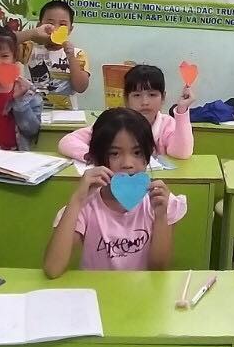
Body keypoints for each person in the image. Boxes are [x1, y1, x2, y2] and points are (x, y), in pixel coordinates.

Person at [43, 108, 187, 277]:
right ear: (97, 157)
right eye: (115, 154)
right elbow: (52, 269)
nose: (127, 163)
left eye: (137, 152)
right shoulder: (86, 206)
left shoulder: (158, 201)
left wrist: (161, 216)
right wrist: (76, 200)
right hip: (97, 291)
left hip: (141, 292)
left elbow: (158, 269)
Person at [58, 64, 194, 161]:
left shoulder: (167, 124)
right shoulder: (115, 123)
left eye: (152, 95)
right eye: (137, 95)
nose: (145, 102)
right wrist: (95, 157)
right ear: (126, 99)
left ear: (163, 98)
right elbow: (67, 142)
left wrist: (182, 110)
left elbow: (182, 153)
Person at [17, 0, 90, 111]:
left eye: (62, 25)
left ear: (70, 29)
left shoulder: (77, 54)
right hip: (34, 113)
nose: (55, 28)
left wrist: (71, 57)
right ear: (39, 26)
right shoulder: (30, 49)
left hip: (67, 115)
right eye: (50, 24)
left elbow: (81, 87)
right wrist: (32, 33)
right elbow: (5, 42)